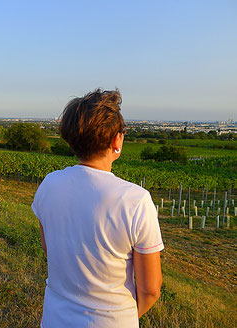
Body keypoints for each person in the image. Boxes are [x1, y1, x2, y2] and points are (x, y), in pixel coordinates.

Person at [31, 89, 163, 327]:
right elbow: (151, 289)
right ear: (116, 140)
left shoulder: (49, 184)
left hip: (54, 319)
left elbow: (48, 247)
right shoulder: (136, 200)